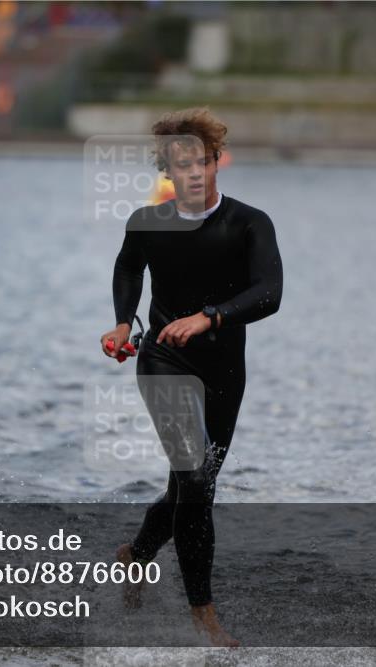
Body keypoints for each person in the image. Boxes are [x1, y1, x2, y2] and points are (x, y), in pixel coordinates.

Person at [100, 107, 283, 648]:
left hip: (225, 367)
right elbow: (129, 266)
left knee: (190, 485)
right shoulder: (147, 223)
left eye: (201, 161)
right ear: (168, 171)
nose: (194, 173)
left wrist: (210, 316)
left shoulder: (250, 224)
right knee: (197, 478)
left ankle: (134, 555)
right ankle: (204, 617)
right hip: (163, 361)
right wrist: (121, 322)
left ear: (216, 162)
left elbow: (269, 293)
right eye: (182, 165)